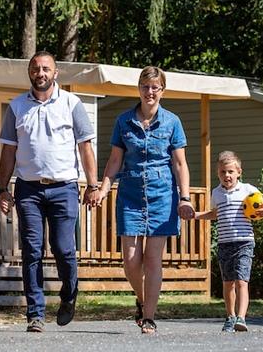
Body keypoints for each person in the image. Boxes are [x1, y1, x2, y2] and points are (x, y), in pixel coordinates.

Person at [0, 51, 100, 333]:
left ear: (56, 73)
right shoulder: (17, 107)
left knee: (63, 248)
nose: (40, 73)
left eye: (45, 69)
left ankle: (68, 295)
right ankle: (35, 313)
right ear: (29, 73)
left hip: (64, 187)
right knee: (31, 250)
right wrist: (3, 188)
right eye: (35, 69)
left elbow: (85, 148)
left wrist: (92, 185)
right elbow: (8, 150)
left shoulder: (72, 103)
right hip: (28, 189)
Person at [97, 66, 195, 335]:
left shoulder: (172, 122)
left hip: (162, 195)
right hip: (129, 195)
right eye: (145, 86)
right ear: (139, 88)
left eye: (155, 87)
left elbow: (180, 163)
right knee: (130, 260)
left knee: (153, 260)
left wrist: (184, 198)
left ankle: (149, 317)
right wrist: (105, 187)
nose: (150, 92)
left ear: (162, 91)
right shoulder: (123, 121)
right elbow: (115, 159)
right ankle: (142, 300)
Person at [191, 150, 263, 333]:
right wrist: (196, 215)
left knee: (242, 281)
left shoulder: (248, 190)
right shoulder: (216, 193)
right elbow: (215, 214)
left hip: (244, 242)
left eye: (230, 172)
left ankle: (241, 318)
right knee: (228, 283)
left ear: (239, 172)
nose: (226, 175)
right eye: (222, 172)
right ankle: (230, 317)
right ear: (217, 173)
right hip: (225, 244)